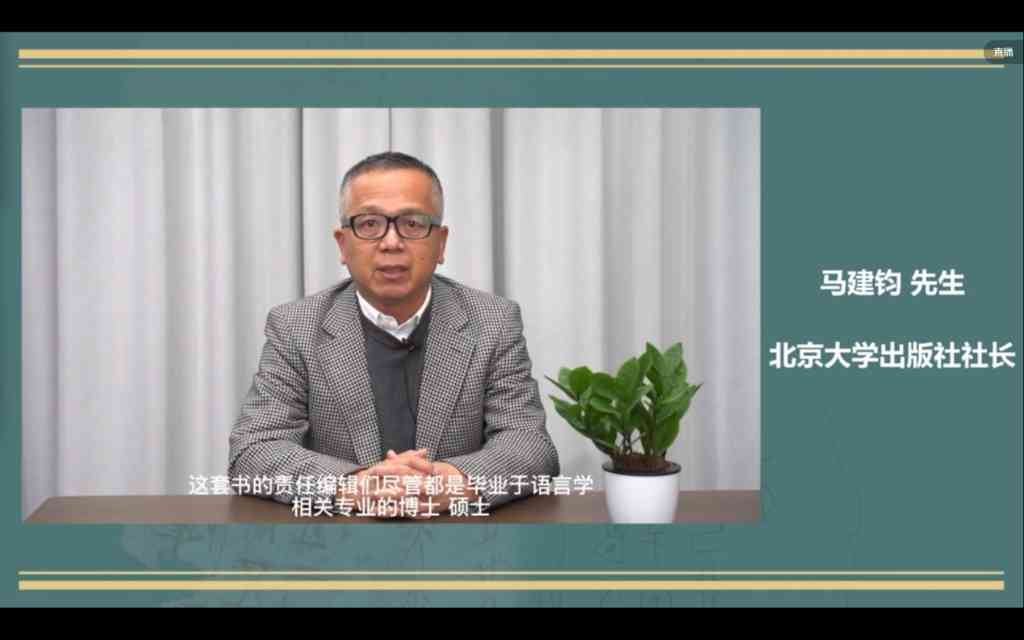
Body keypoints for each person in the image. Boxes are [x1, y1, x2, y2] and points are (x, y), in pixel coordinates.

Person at [229, 151, 560, 517]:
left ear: (441, 243)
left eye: (412, 224)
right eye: (369, 224)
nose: (391, 242)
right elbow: (254, 449)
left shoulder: (493, 321)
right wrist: (354, 486)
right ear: (342, 244)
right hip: (339, 539)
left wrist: (452, 483)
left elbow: (529, 444)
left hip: (459, 537)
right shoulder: (295, 326)